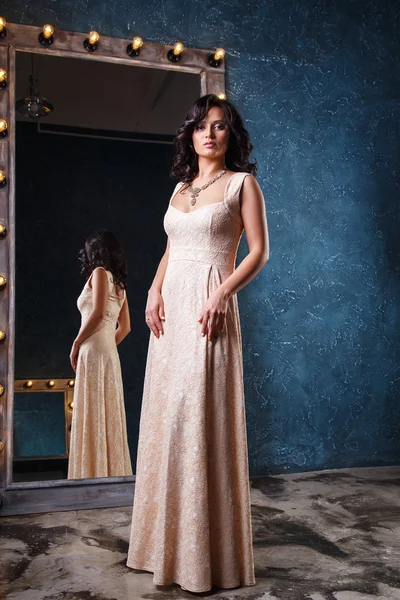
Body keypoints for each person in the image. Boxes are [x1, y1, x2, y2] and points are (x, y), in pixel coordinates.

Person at [127, 94, 269, 592]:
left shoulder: (241, 184)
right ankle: (160, 548)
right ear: (190, 134)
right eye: (202, 126)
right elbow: (172, 247)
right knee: (167, 418)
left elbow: (259, 252)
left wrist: (222, 293)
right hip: (171, 311)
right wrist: (150, 290)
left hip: (210, 306)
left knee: (198, 417)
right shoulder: (181, 189)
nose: (210, 134)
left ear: (232, 135)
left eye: (221, 126)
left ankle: (206, 557)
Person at [68, 230, 133, 479]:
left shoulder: (98, 274)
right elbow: (125, 327)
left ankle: (89, 476)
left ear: (94, 251)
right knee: (107, 411)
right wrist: (107, 344)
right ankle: (111, 475)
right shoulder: (120, 283)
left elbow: (96, 312)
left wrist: (76, 343)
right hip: (108, 353)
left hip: (92, 350)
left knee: (92, 412)